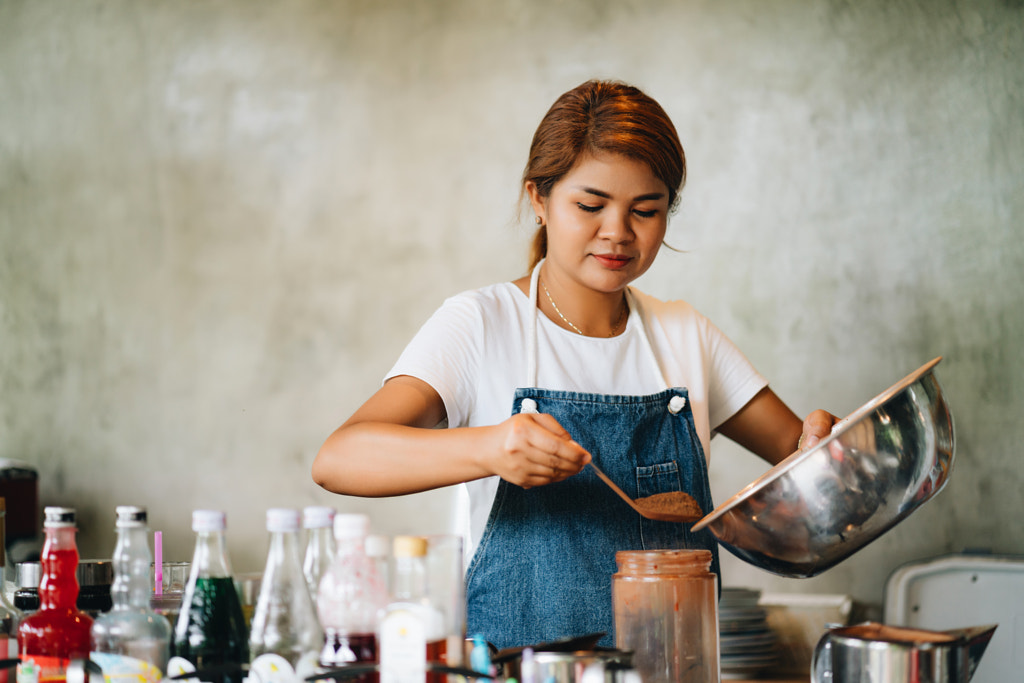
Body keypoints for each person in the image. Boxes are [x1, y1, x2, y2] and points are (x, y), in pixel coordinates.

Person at [312, 79, 836, 649]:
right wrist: (488, 448)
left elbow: (805, 465)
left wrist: (822, 451)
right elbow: (340, 459)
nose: (617, 232)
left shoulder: (685, 334)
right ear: (538, 198)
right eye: (590, 205)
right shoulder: (483, 324)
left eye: (646, 210)